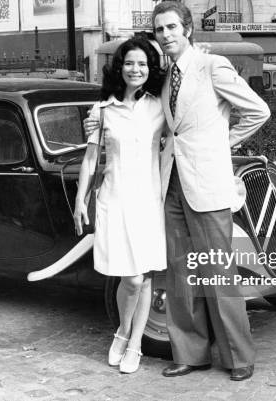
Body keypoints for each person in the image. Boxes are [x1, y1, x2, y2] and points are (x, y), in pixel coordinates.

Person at [152, 1, 268, 381]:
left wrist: (221, 144)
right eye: (159, 30)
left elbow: (257, 111)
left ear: (187, 28)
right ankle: (190, 353)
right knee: (181, 273)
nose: (166, 35)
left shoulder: (211, 65)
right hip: (173, 184)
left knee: (218, 272)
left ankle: (238, 357)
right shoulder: (169, 75)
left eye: (171, 27)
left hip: (206, 185)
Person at [73, 38, 167, 374]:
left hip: (148, 202)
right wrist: (80, 200)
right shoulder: (102, 109)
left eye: (143, 64)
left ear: (150, 69)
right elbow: (89, 159)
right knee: (129, 278)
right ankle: (124, 330)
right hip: (113, 199)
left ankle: (134, 342)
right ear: (120, 66)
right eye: (130, 63)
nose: (136, 69)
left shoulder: (160, 106)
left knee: (142, 276)